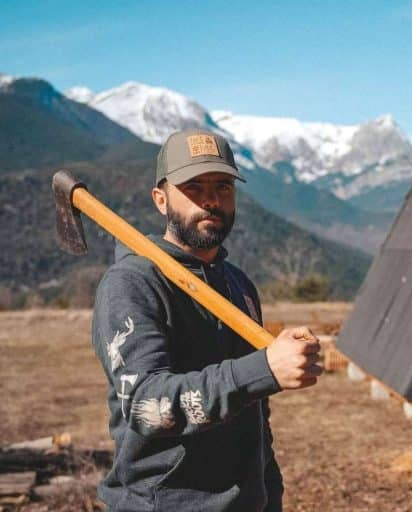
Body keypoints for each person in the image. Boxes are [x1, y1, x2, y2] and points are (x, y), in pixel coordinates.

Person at [91, 129, 322, 511]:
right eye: (193, 187)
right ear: (161, 200)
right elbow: (148, 406)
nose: (211, 200)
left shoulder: (239, 285)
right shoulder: (132, 285)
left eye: (223, 186)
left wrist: (269, 492)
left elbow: (255, 417)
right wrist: (263, 368)